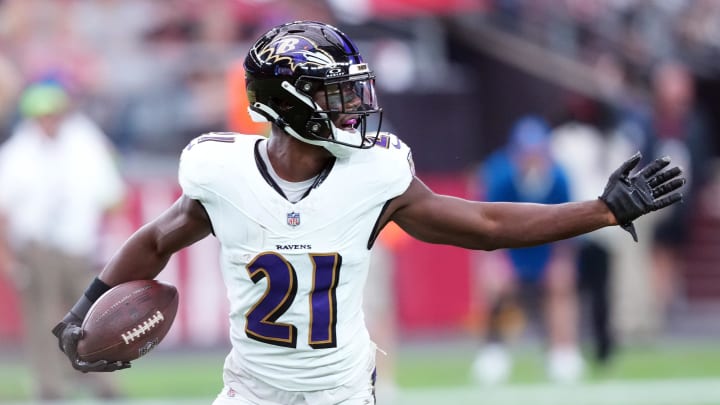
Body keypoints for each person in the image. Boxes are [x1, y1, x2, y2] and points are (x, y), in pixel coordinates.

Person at [51, 21, 685, 405]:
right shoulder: (222, 173)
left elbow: (486, 228)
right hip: (251, 390)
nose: (354, 105)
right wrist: (85, 309)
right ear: (288, 104)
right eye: (335, 93)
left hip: (342, 393)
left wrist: (600, 210)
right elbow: (156, 240)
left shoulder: (376, 175)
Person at [0, 81, 126, 400]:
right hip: (36, 245)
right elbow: (4, 210)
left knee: (92, 316)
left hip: (77, 243)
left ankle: (100, 379)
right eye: (43, 116)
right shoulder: (18, 152)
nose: (49, 121)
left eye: (54, 114)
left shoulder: (86, 144)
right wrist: (7, 257)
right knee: (42, 318)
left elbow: (110, 196)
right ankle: (50, 384)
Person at [471, 115, 583, 385]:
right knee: (496, 288)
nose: (532, 159)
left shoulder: (560, 178)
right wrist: (495, 262)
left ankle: (562, 351)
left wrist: (562, 262)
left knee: (561, 287)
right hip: (509, 247)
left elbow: (570, 224)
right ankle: (494, 351)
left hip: (545, 248)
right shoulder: (499, 174)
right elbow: (484, 223)